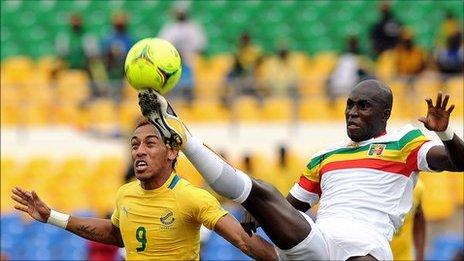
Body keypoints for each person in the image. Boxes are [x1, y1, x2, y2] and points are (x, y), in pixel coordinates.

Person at [138, 79, 464, 260]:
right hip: (319, 239)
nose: (352, 112)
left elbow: (457, 162)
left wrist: (445, 133)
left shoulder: (405, 140)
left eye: (363, 106)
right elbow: (290, 207)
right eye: (349, 105)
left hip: (367, 243)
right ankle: (183, 137)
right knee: (261, 190)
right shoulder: (325, 156)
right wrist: (258, 211)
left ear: (385, 112)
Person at [11, 118, 277, 260]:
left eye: (150, 143)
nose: (139, 151)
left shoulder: (192, 197)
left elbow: (242, 240)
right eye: (135, 144)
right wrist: (51, 217)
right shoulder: (126, 193)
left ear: (172, 152)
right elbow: (117, 234)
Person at [390, 179, 426, 261]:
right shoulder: (375, 189)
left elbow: (419, 221)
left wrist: (420, 255)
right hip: (376, 255)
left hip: (404, 256)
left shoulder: (416, 187)